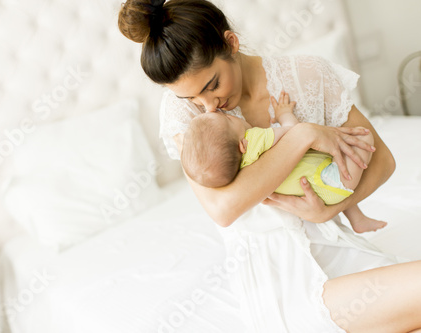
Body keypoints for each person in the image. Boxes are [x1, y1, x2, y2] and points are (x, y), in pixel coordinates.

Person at [118, 0, 421, 332]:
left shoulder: (308, 75)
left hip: (339, 246)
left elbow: (383, 161)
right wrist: (303, 134)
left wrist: (330, 210)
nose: (209, 108)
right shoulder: (185, 119)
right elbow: (223, 208)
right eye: (192, 99)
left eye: (212, 86)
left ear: (231, 44)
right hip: (282, 280)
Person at [181, 91, 387, 234]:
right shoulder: (253, 140)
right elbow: (293, 132)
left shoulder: (240, 170)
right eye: (228, 120)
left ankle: (357, 220)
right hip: (332, 179)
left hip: (318, 193)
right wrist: (284, 113)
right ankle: (357, 216)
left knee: (331, 164)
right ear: (242, 146)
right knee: (363, 140)